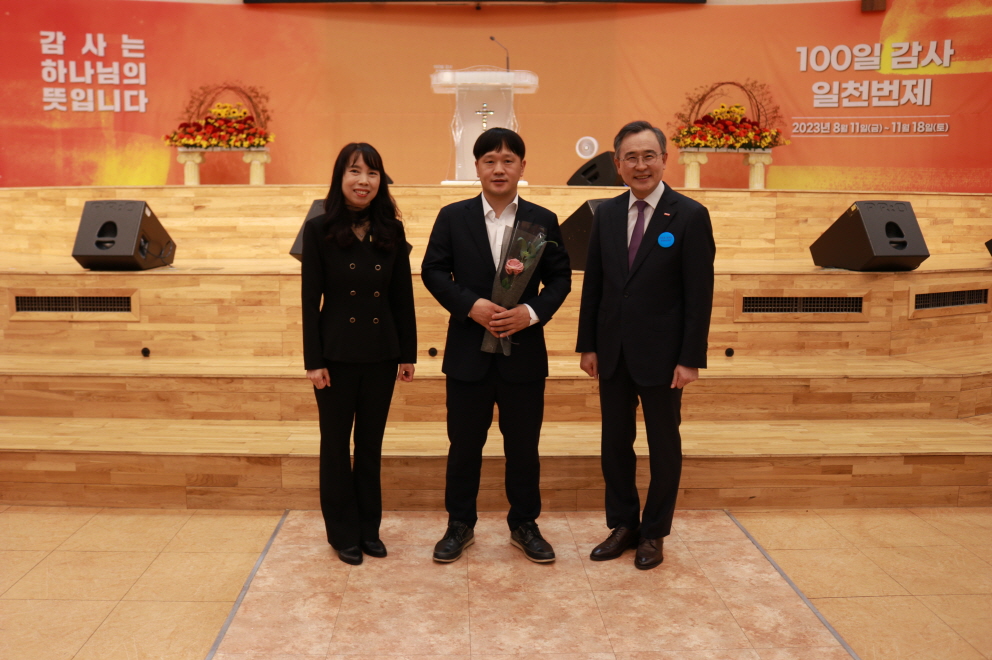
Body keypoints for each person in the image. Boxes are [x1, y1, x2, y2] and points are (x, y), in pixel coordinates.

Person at [421, 128, 571, 563]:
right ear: (477, 167)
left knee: (523, 447)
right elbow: (433, 271)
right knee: (463, 446)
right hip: (468, 353)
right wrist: (470, 306)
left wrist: (531, 312)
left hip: (523, 354)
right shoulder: (453, 217)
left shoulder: (542, 220)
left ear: (523, 166)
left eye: (508, 160)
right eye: (489, 160)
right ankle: (459, 524)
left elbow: (560, 278)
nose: (499, 169)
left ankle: (524, 524)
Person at [576, 120, 715, 570]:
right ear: (617, 164)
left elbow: (699, 294)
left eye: (648, 156)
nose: (641, 165)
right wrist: (588, 345)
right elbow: (595, 285)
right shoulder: (606, 214)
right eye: (631, 158)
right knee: (615, 444)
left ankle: (654, 532)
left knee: (663, 446)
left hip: (664, 357)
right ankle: (623, 525)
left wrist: (690, 358)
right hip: (613, 353)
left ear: (664, 160)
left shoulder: (689, 215)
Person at [301, 142, 417, 565]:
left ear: (380, 181)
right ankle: (342, 533)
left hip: (381, 354)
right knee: (335, 447)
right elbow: (309, 300)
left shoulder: (392, 230)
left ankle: (369, 529)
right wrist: (313, 361)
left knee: (370, 446)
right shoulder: (318, 229)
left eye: (371, 173)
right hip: (334, 357)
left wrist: (408, 354)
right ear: (340, 178)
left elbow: (402, 297)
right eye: (354, 171)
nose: (363, 180)